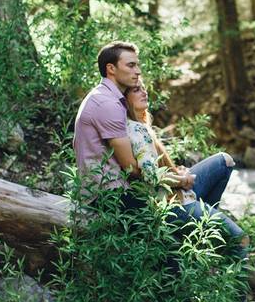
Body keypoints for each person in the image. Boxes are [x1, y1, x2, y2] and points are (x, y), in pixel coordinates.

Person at [123, 83, 249, 254]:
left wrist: (178, 172)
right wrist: (181, 179)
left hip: (177, 192)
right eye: (136, 90)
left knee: (224, 161)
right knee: (240, 239)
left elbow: (157, 167)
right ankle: (206, 233)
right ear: (125, 99)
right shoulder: (136, 130)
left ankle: (204, 233)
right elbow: (150, 176)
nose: (144, 92)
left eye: (144, 88)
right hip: (170, 204)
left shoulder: (143, 126)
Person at [72, 41, 195, 208]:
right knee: (194, 197)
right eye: (131, 65)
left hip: (115, 190)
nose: (138, 71)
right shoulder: (108, 104)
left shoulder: (106, 97)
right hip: (111, 195)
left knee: (205, 181)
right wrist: (178, 180)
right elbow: (132, 169)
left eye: (137, 65)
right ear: (111, 69)